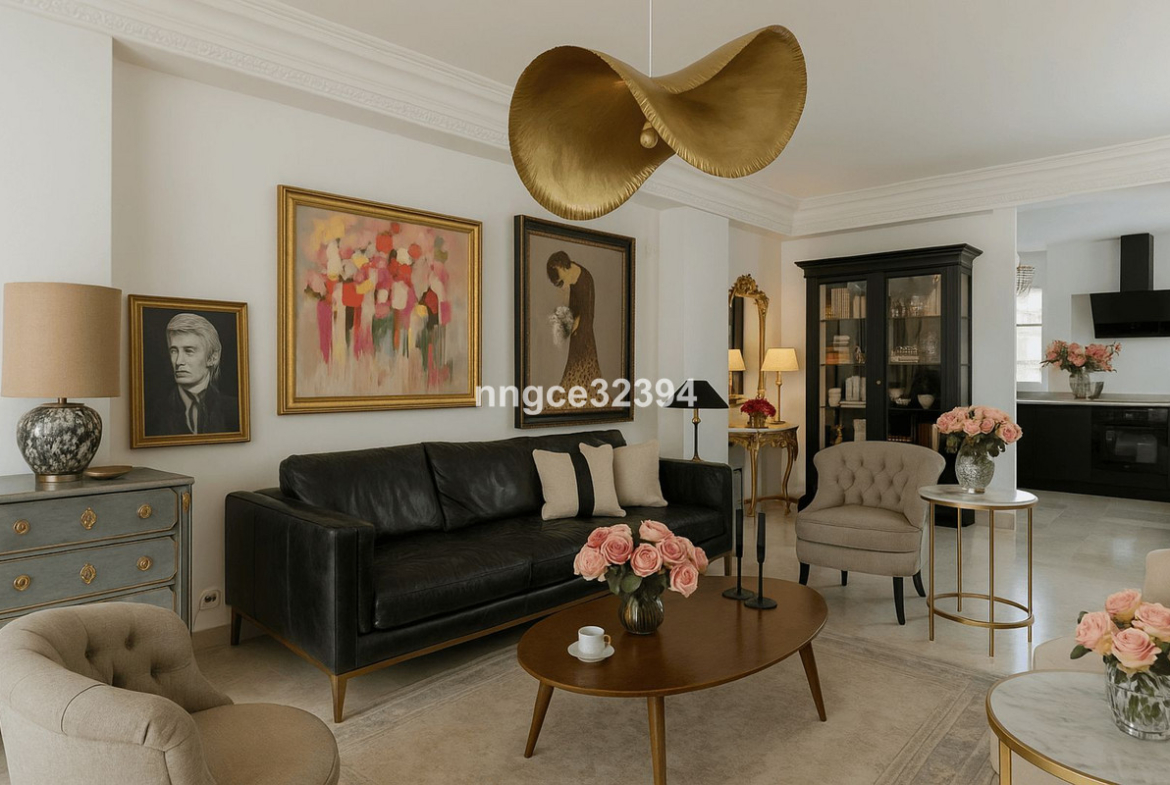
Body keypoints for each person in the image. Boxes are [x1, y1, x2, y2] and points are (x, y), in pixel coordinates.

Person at [145, 313, 239, 436]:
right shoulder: (153, 413)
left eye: (189, 351)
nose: (178, 361)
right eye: (174, 351)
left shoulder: (234, 410)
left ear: (212, 357)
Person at [546, 251, 602, 394]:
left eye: (557, 271)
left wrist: (576, 327)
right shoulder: (569, 278)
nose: (559, 278)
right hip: (576, 326)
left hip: (583, 328)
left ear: (560, 265)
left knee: (582, 362)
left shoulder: (584, 279)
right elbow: (571, 309)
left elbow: (586, 312)